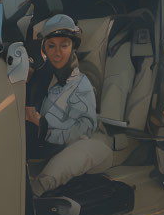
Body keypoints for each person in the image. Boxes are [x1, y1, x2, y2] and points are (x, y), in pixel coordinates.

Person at [26, 14, 113, 195]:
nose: (57, 53)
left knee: (88, 149)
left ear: (73, 46)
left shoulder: (82, 85)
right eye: (51, 46)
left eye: (64, 45)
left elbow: (84, 129)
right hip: (36, 149)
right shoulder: (39, 77)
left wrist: (45, 128)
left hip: (71, 146)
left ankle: (37, 191)